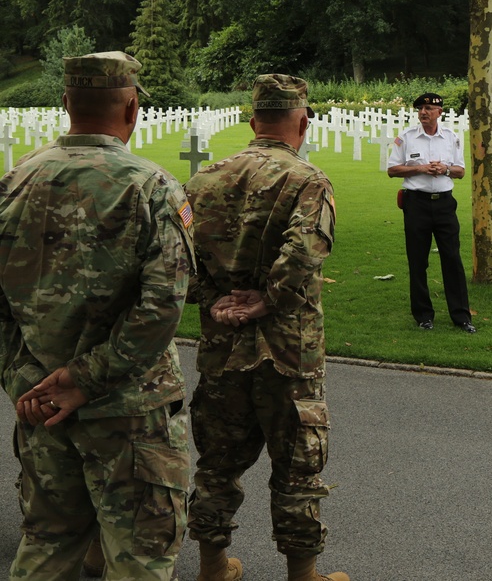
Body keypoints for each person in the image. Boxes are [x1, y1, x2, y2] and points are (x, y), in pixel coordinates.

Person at [0, 51, 193, 579]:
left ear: (66, 104)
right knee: (139, 559)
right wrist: (83, 382)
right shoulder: (151, 188)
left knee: (46, 547)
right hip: (130, 415)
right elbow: (161, 308)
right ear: (132, 108)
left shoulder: (12, 184)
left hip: (41, 408)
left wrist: (30, 381)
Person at [184, 74, 346, 581]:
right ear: (303, 121)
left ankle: (212, 566)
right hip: (288, 350)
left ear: (253, 122)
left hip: (221, 345)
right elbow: (305, 250)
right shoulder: (308, 181)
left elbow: (181, 265)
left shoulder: (202, 182)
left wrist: (216, 304)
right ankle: (303, 575)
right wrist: (268, 300)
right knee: (298, 465)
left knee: (216, 462)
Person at [387, 92, 476, 333]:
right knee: (418, 261)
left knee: (453, 260)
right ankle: (423, 316)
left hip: (445, 204)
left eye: (428, 108)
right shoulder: (405, 138)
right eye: (420, 108)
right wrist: (421, 169)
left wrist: (444, 169)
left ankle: (462, 316)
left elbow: (460, 171)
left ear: (440, 112)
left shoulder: (450, 137)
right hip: (416, 204)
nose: (423, 112)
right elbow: (392, 170)